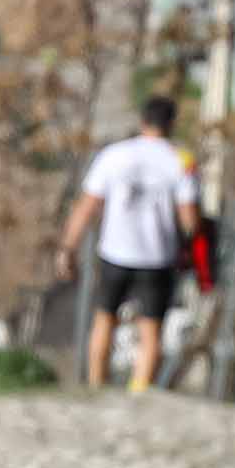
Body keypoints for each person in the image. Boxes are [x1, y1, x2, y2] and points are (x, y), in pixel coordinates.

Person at [57, 91, 205, 391]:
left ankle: (96, 386)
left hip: (115, 252)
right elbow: (190, 219)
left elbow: (87, 207)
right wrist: (191, 246)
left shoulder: (114, 155)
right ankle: (138, 392)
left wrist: (67, 247)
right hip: (157, 256)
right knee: (150, 329)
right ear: (172, 123)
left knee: (104, 320)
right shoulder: (180, 160)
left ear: (142, 120)